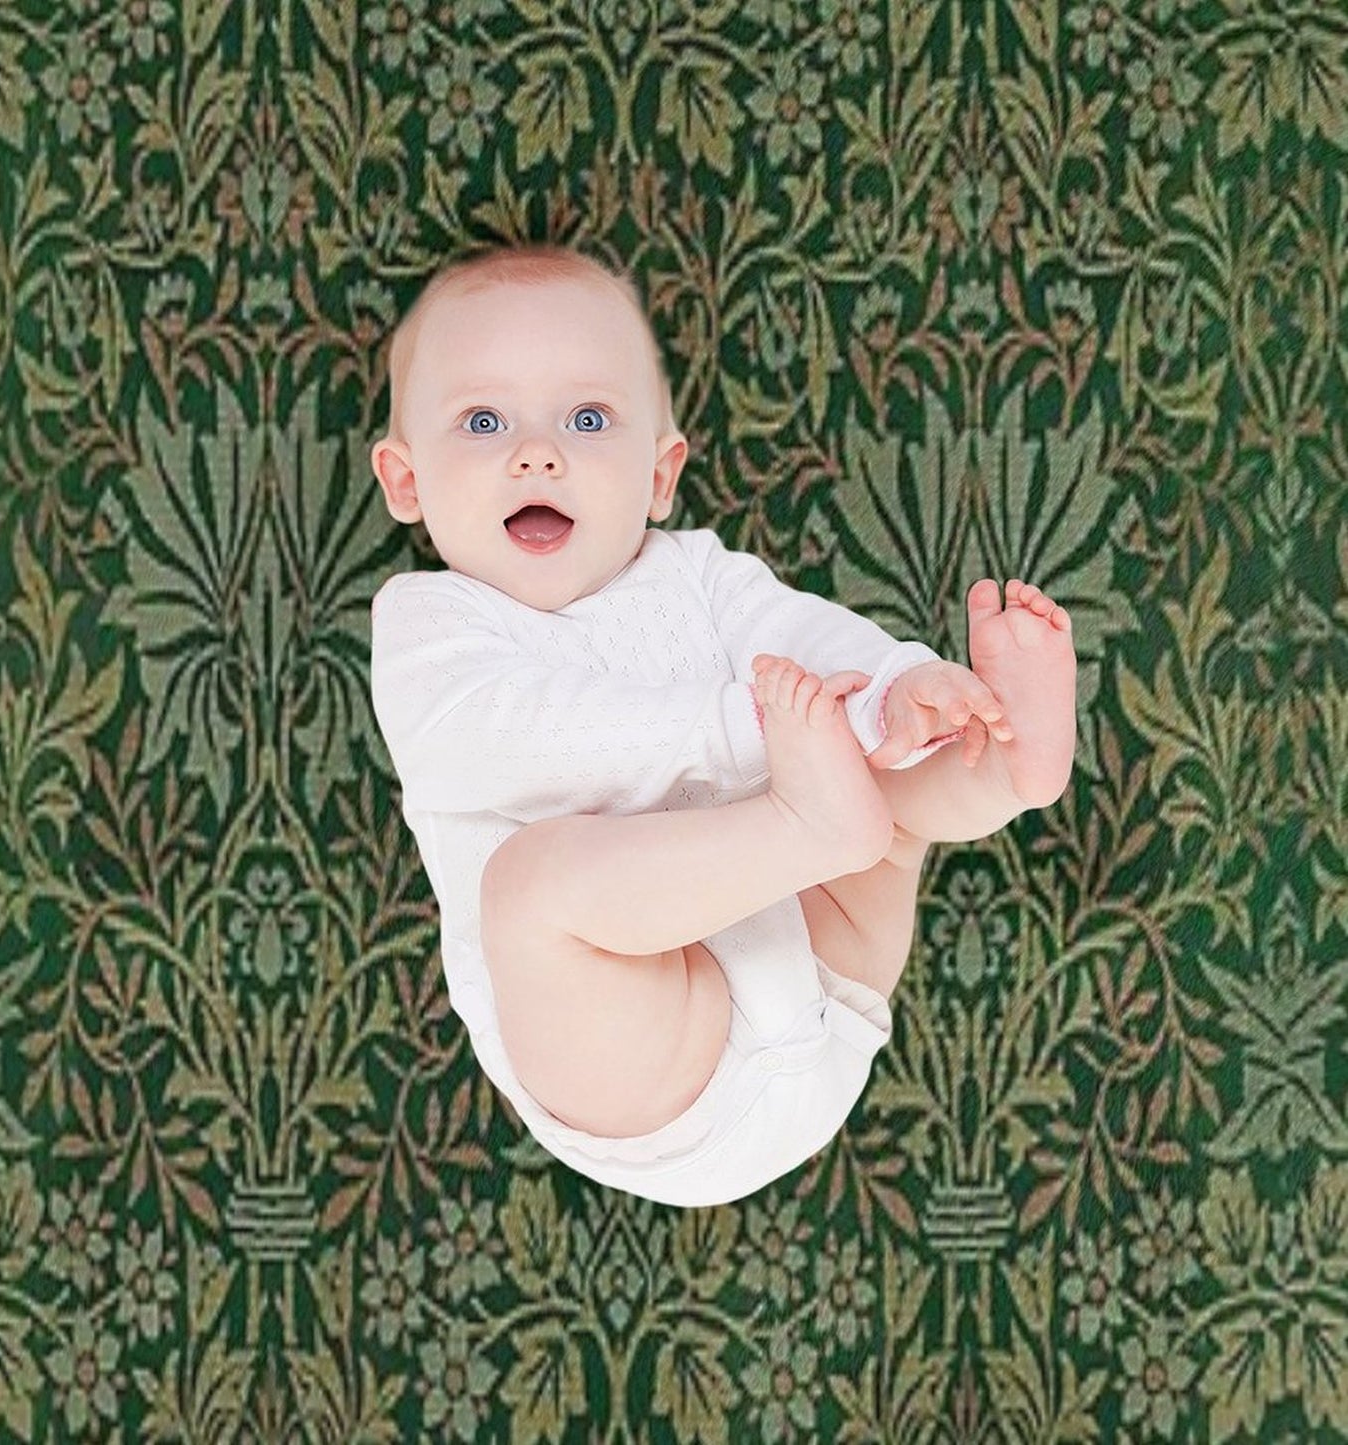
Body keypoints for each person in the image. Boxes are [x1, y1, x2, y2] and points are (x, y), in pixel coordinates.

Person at [368, 243, 1077, 1207]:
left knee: (886, 781)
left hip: (828, 976)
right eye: (483, 420)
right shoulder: (432, 625)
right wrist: (749, 728)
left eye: (587, 418)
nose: (538, 453)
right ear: (406, 482)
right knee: (530, 887)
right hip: (654, 1067)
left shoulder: (697, 573)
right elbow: (510, 740)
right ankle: (815, 822)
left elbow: (802, 636)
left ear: (659, 476)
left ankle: (998, 765)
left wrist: (896, 688)